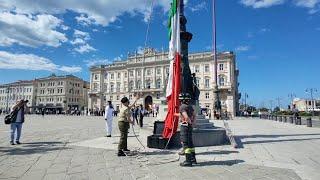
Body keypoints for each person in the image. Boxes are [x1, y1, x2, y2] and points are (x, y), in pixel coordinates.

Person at [176, 93, 197, 167]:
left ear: (182, 100)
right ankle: (193, 159)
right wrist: (193, 123)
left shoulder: (182, 107)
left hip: (185, 127)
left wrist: (189, 122)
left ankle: (188, 161)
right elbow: (194, 115)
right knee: (190, 143)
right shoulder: (190, 106)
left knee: (185, 143)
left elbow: (186, 116)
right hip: (189, 127)